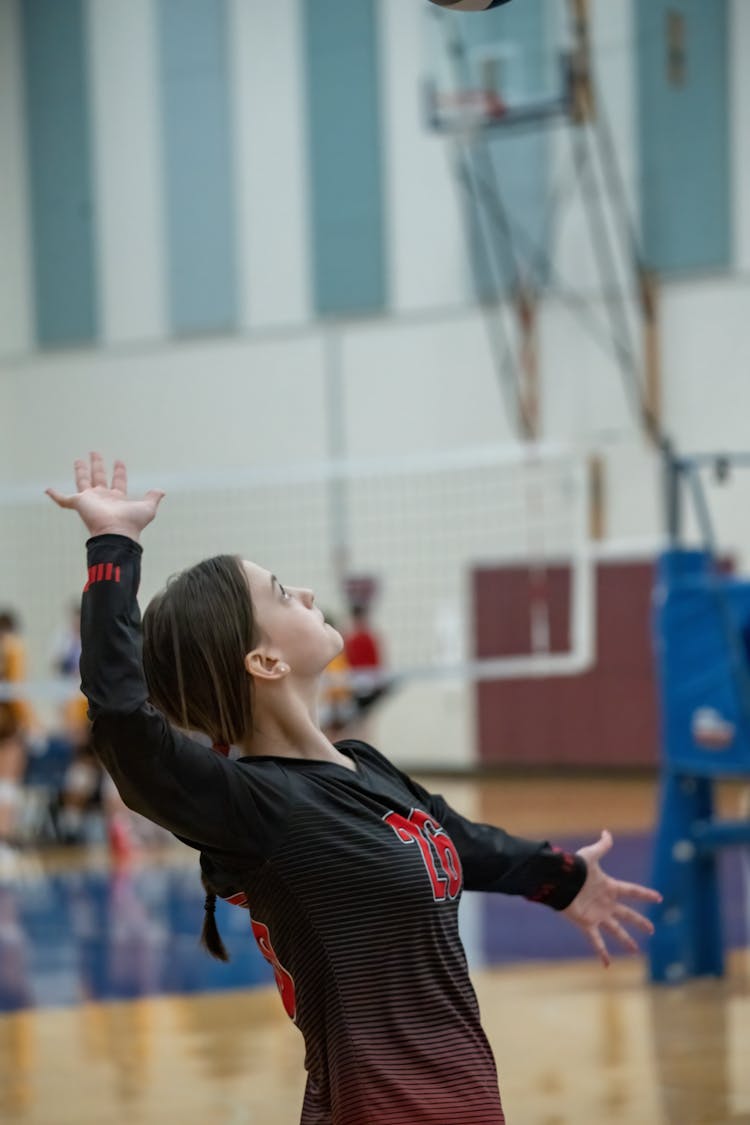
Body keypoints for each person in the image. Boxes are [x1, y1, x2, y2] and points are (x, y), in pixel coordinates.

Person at [47, 454, 661, 1125]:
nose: (306, 593)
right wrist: (113, 548)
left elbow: (459, 841)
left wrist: (561, 878)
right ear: (265, 661)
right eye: (282, 592)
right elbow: (122, 725)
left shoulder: (363, 765)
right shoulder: (257, 809)